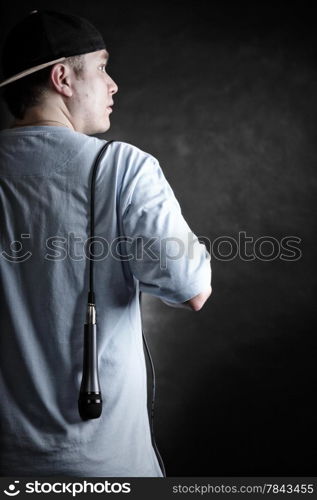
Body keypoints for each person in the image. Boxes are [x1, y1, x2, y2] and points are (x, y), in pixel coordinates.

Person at [0, 9, 212, 477]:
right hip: (106, 469)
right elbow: (191, 286)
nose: (113, 84)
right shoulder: (124, 169)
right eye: (100, 67)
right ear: (62, 78)